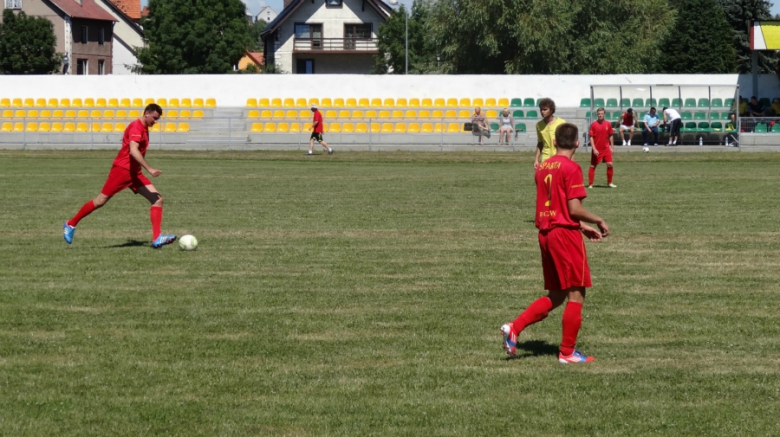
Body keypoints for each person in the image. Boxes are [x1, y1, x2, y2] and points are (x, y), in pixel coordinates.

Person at [500, 122, 609, 364]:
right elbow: (573, 208)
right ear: (577, 143)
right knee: (576, 293)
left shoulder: (541, 168)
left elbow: (553, 205)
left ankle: (514, 327)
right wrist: (597, 219)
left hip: (546, 234)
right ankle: (567, 353)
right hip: (564, 236)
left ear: (555, 142)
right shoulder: (571, 168)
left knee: (557, 294)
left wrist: (582, 226)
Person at [63, 103, 176, 248]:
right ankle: (70, 224)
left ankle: (157, 238)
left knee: (158, 200)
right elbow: (133, 151)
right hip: (122, 170)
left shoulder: (144, 127)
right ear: (146, 113)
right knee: (100, 201)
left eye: (158, 119)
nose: (156, 121)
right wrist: (149, 168)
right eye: (154, 118)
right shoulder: (136, 127)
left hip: (134, 173)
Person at [588, 108, 616, 189]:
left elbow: (610, 135)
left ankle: (610, 183)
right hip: (597, 149)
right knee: (593, 166)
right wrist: (594, 149)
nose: (600, 115)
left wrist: (612, 147)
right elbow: (591, 137)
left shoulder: (608, 124)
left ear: (604, 114)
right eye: (599, 113)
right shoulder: (593, 125)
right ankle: (590, 184)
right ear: (597, 114)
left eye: (602, 113)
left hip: (606, 148)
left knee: (610, 164)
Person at [534, 98, 566, 169]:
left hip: (559, 157)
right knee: (545, 179)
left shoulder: (561, 123)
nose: (542, 112)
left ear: (551, 110)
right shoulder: (539, 125)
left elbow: (567, 143)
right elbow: (540, 143)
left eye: (545, 109)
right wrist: (536, 160)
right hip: (545, 158)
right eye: (541, 110)